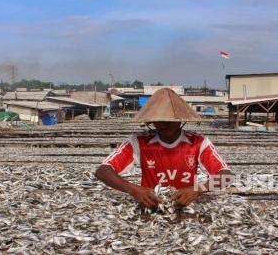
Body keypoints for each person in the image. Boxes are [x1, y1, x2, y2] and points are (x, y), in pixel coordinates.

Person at [95, 88, 233, 208]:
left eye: (169, 120)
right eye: (159, 119)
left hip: (185, 205)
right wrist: (134, 190)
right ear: (151, 120)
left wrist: (198, 189)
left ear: (180, 119)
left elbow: (226, 177)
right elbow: (102, 171)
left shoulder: (198, 142)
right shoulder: (139, 141)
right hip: (151, 204)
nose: (164, 123)